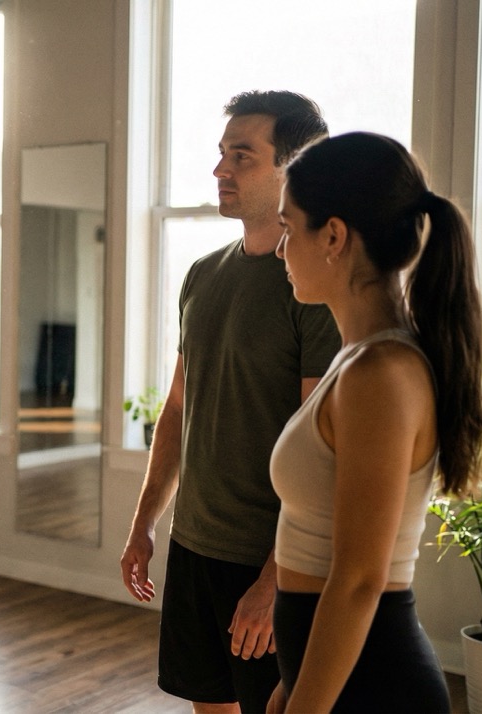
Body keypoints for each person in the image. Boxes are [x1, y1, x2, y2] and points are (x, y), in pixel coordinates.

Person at [119, 91, 340, 714]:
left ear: (293, 168)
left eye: (241, 156)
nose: (220, 170)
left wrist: (274, 579)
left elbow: (322, 448)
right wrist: (144, 526)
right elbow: (179, 409)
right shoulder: (201, 275)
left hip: (269, 559)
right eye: (221, 154)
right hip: (195, 546)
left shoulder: (314, 287)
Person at [267, 132, 482, 713]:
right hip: (342, 675)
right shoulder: (358, 360)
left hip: (373, 685)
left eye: (289, 229)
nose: (279, 248)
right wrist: (292, 684)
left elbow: (361, 579)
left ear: (334, 236)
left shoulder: (381, 374)